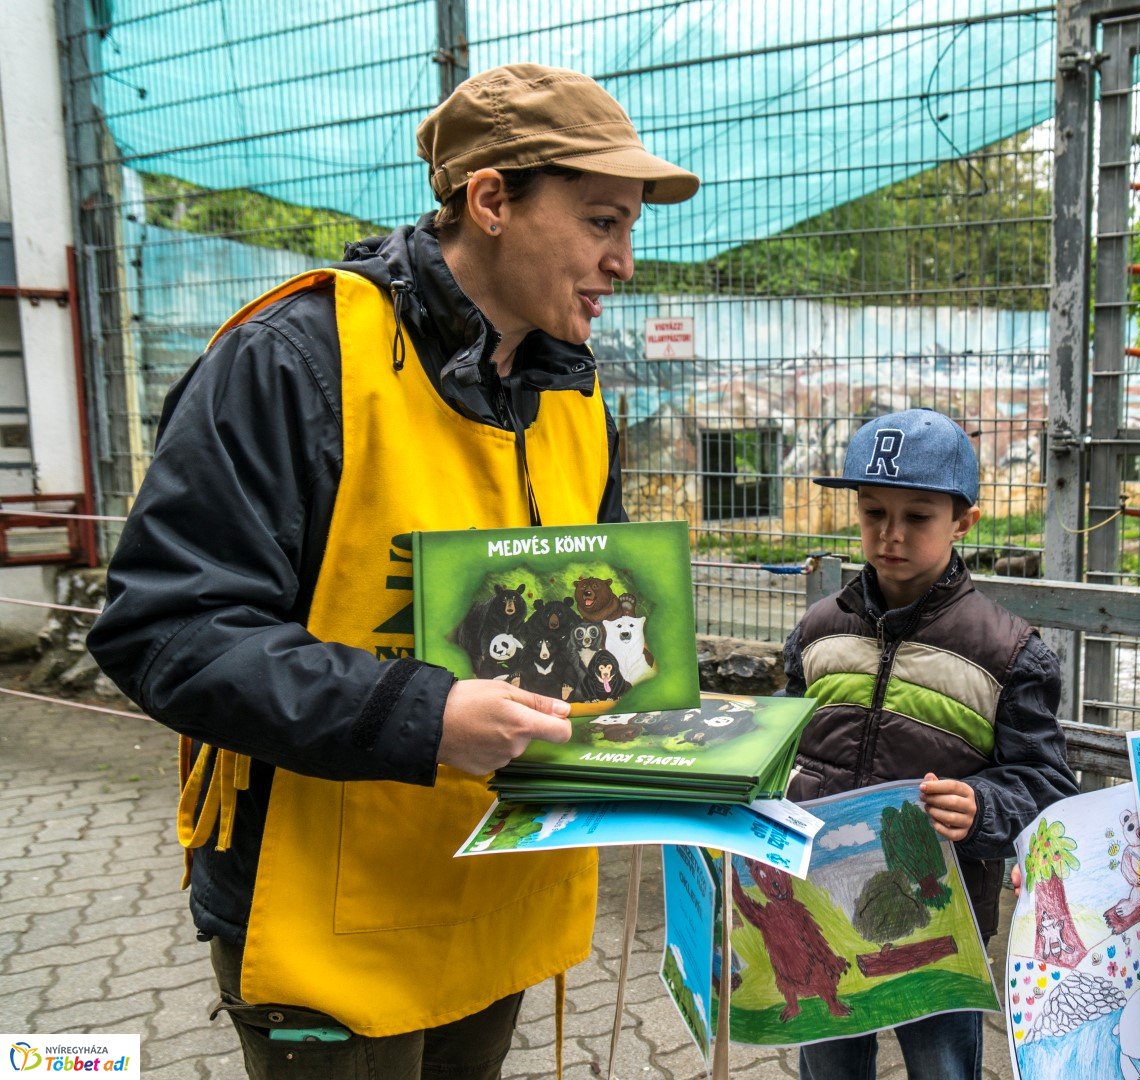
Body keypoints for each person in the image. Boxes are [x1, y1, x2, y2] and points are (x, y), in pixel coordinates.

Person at [86, 64, 698, 1078]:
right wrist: (426, 716)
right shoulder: (293, 361)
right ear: (491, 200)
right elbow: (167, 631)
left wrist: (685, 751)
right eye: (600, 222)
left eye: (627, 229)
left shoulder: (576, 398)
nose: (622, 262)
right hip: (325, 919)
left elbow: (601, 647)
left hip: (493, 900)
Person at [781, 408, 1080, 1080]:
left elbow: (1046, 787)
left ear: (962, 521)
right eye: (872, 512)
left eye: (917, 517)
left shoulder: (1007, 653)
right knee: (827, 1064)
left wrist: (981, 806)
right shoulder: (816, 632)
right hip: (819, 900)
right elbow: (784, 742)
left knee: (942, 1066)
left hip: (941, 924)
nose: (889, 535)